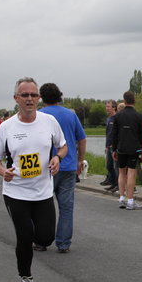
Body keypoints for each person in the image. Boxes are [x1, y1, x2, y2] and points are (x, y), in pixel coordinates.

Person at [0, 77, 67, 282]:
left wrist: (57, 158)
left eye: (33, 95)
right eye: (25, 95)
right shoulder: (6, 127)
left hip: (42, 191)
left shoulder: (49, 121)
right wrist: (3, 171)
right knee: (24, 237)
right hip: (16, 192)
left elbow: (63, 146)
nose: (30, 99)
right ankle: (26, 279)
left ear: (39, 98)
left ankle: (33, 236)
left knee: (45, 238)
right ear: (16, 99)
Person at [38, 83, 87, 253]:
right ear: (59, 95)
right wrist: (80, 160)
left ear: (41, 97)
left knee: (42, 205)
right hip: (68, 165)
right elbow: (81, 139)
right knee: (66, 206)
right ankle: (63, 243)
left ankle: (41, 241)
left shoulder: (39, 115)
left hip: (46, 167)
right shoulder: (70, 115)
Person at [112, 91, 142, 210]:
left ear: (124, 101)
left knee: (122, 172)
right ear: (134, 101)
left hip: (121, 148)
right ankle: (131, 201)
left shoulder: (117, 116)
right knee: (131, 173)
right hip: (134, 148)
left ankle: (122, 198)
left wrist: (114, 149)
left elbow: (114, 134)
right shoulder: (139, 116)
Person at [103, 100, 118, 190]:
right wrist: (106, 145)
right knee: (108, 165)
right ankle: (112, 182)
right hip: (109, 146)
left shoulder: (117, 118)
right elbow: (107, 133)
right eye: (106, 106)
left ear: (114, 107)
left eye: (108, 106)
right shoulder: (108, 119)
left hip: (114, 146)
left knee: (115, 166)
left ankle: (117, 184)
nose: (106, 108)